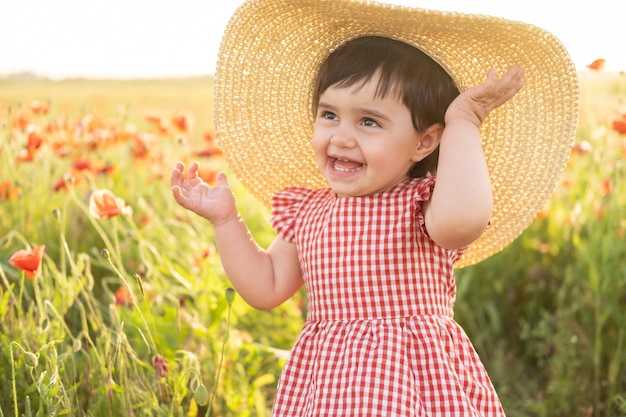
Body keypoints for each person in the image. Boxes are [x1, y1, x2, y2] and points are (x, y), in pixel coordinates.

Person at [171, 1, 579, 415]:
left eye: (369, 122)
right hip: (331, 388)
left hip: (415, 384)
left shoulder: (424, 204)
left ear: (423, 142)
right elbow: (266, 286)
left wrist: (464, 121)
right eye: (329, 114)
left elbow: (464, 221)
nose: (342, 136)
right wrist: (226, 220)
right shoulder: (310, 211)